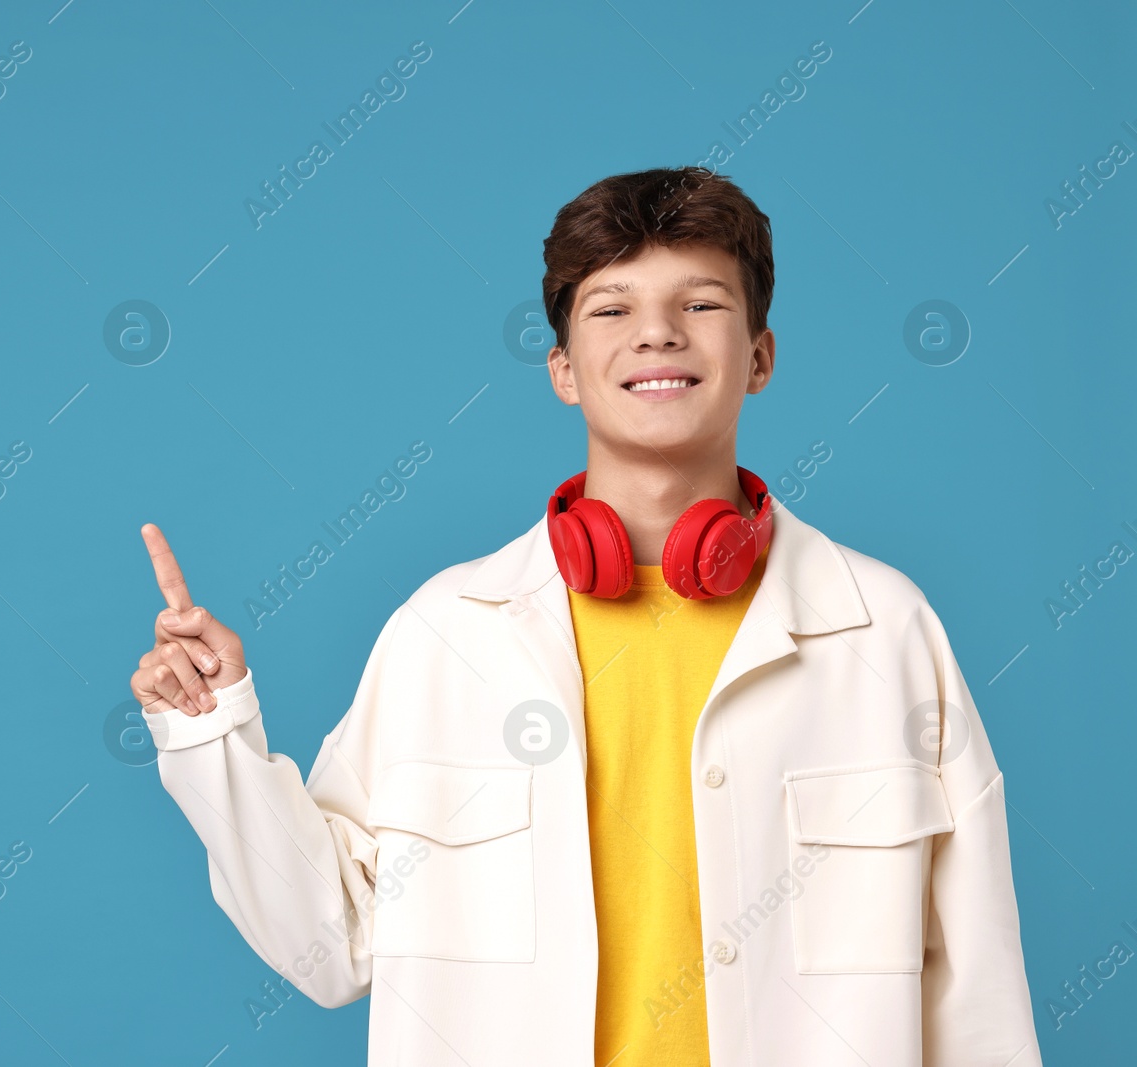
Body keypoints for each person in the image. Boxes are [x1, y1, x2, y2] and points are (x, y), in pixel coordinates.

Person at [132, 166, 1041, 1066]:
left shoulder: (883, 628)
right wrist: (213, 732)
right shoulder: (447, 633)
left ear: (760, 357)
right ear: (563, 369)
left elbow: (979, 999)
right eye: (611, 309)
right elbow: (327, 947)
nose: (656, 333)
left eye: (701, 304)